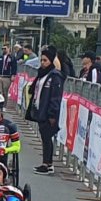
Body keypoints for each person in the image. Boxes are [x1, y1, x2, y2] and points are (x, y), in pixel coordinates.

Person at [27, 45, 65, 174]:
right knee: (44, 138)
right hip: (40, 110)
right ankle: (47, 163)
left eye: (45, 60)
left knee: (47, 138)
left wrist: (52, 114)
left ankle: (47, 163)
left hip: (48, 113)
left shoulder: (55, 76)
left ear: (51, 61)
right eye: (41, 60)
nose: (43, 63)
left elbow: (56, 97)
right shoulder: (42, 74)